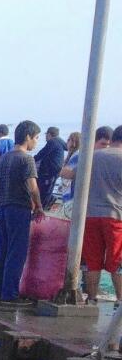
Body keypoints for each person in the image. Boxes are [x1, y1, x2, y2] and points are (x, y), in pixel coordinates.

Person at [0, 121, 42, 306]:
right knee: (16, 252)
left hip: (1, 207)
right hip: (18, 208)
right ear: (28, 137)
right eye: (35, 138)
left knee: (1, 251)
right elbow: (32, 186)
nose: (36, 142)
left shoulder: (3, 158)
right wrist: (39, 205)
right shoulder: (27, 159)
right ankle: (9, 295)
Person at [81, 125, 122, 304]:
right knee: (118, 262)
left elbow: (73, 175)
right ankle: (120, 303)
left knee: (92, 261)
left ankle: (91, 299)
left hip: (89, 215)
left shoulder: (92, 156)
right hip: (115, 215)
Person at [60, 125, 111, 205]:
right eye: (103, 144)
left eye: (109, 145)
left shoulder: (108, 159)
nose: (106, 147)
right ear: (93, 142)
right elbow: (64, 173)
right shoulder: (82, 156)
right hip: (76, 202)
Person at [33, 126, 68, 209]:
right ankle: (49, 201)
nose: (45, 137)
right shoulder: (60, 141)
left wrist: (31, 160)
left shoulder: (52, 142)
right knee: (47, 189)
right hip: (56, 170)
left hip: (49, 171)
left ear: (49, 134)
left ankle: (45, 206)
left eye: (46, 134)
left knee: (44, 191)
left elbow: (42, 153)